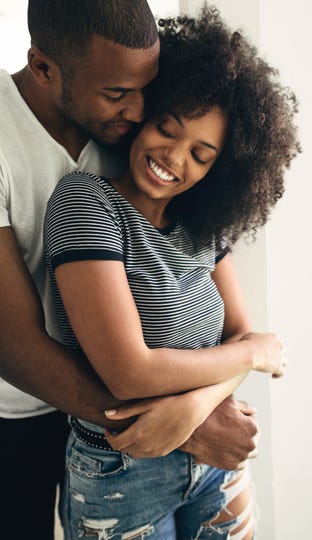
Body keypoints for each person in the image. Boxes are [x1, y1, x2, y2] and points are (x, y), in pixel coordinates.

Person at [0, 1, 259, 538]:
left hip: (128, 423)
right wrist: (185, 426)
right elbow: (12, 344)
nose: (140, 111)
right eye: (118, 94)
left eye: (146, 92)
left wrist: (203, 396)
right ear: (45, 68)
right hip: (14, 418)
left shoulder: (128, 138)